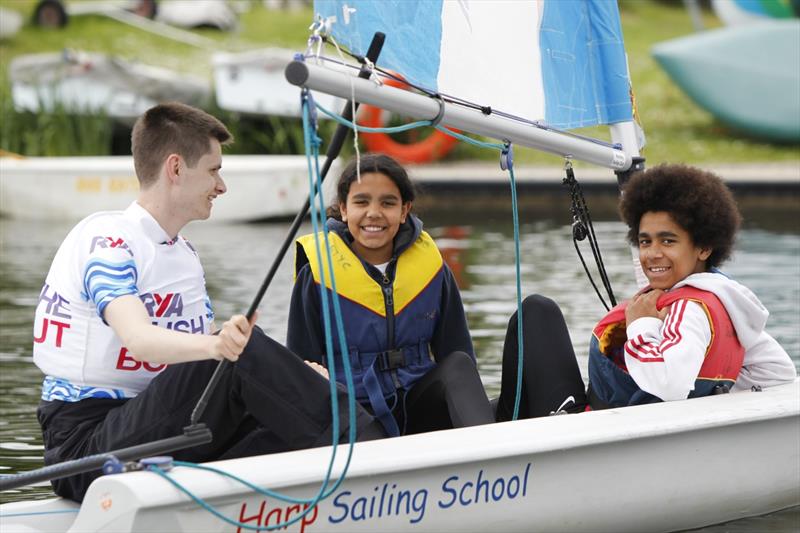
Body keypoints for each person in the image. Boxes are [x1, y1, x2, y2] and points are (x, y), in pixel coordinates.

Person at [32, 102, 384, 503]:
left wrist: (293, 380)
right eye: (214, 170)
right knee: (240, 350)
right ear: (176, 168)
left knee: (274, 400)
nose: (222, 186)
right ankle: (375, 449)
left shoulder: (183, 255)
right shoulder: (107, 239)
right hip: (85, 448)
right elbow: (138, 339)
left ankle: (334, 485)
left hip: (152, 427)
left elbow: (204, 379)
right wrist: (222, 345)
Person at [496, 163, 796, 419]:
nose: (652, 254)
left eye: (668, 241)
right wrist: (720, 396)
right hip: (626, 415)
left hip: (586, 426)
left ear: (704, 247)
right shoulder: (729, 301)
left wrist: (641, 324)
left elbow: (669, 383)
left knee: (535, 313)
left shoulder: (684, 309)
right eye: (645, 241)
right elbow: (777, 372)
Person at [287, 153, 494, 437]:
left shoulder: (433, 270)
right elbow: (300, 367)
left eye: (388, 202)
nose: (374, 212)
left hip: (419, 403)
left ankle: (491, 454)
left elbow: (457, 349)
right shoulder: (316, 276)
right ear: (343, 209)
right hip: (354, 411)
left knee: (459, 365)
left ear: (404, 210)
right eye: (361, 201)